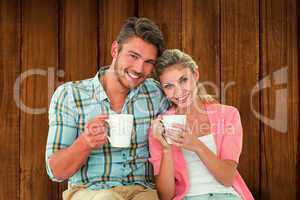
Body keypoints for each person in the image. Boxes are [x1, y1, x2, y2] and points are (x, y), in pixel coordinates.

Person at [45, 17, 170, 200]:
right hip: (90, 191)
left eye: (148, 62)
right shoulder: (70, 95)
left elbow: (188, 106)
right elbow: (56, 172)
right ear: (115, 50)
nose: (138, 68)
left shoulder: (156, 93)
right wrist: (85, 142)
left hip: (142, 191)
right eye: (133, 56)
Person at [148, 49, 254, 200]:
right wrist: (166, 148)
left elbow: (227, 178)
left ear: (196, 75)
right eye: (169, 86)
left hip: (227, 195)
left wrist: (196, 145)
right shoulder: (160, 126)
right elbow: (166, 196)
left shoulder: (228, 115)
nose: (179, 92)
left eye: (183, 80)